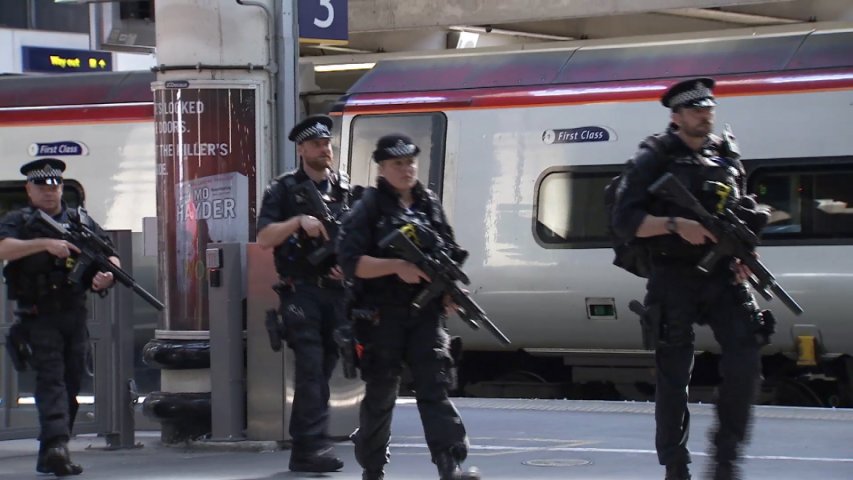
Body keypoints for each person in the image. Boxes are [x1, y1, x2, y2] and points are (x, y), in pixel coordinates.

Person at [612, 78, 764, 480]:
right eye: (696, 109)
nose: (705, 114)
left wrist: (746, 254)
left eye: (709, 108)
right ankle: (675, 463)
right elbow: (626, 222)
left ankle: (726, 458)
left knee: (747, 356)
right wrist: (677, 224)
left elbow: (743, 210)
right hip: (673, 275)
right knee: (674, 375)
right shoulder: (654, 158)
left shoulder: (727, 156)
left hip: (722, 275)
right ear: (676, 117)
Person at [337, 134, 479, 480]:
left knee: (435, 385)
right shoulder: (368, 207)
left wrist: (446, 291)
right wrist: (396, 267)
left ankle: (450, 464)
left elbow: (448, 252)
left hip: (424, 314)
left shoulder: (428, 204)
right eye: (397, 163)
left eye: (410, 162)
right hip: (381, 315)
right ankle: (372, 464)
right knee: (382, 391)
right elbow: (351, 262)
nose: (406, 169)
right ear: (382, 168)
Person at [0, 158, 118, 476]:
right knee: (50, 381)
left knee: (71, 382)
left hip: (73, 314)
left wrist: (106, 275)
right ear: (29, 189)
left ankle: (51, 448)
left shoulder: (80, 220)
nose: (49, 191)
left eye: (55, 185)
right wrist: (46, 244)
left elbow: (109, 254)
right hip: (37, 316)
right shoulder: (20, 221)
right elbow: (3, 249)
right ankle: (57, 446)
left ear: (62, 187)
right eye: (42, 185)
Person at [256, 114, 349, 473]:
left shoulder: (344, 188)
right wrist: (297, 222)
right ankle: (311, 445)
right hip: (302, 292)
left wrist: (348, 264)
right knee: (310, 369)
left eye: (327, 143)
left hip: (336, 293)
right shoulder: (282, 190)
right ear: (301, 149)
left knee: (324, 369)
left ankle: (307, 446)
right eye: (316, 144)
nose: (324, 149)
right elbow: (264, 238)